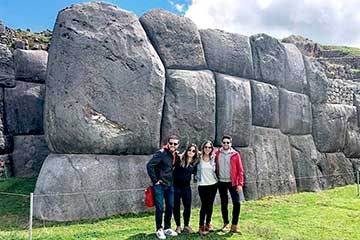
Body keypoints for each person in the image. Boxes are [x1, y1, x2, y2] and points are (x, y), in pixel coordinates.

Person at [147, 135, 180, 239]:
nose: (173, 145)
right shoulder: (161, 153)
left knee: (170, 206)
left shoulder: (175, 155)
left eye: (175, 144)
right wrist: (155, 180)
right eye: (171, 143)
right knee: (160, 208)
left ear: (178, 145)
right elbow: (149, 165)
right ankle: (159, 229)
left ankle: (167, 227)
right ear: (167, 143)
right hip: (159, 186)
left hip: (170, 185)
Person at [214, 135, 244, 234]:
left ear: (231, 143)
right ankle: (226, 224)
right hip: (221, 182)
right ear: (221, 143)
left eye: (228, 142)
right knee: (224, 203)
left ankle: (234, 225)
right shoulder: (217, 153)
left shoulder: (235, 154)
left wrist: (240, 184)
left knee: (237, 203)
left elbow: (240, 170)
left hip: (233, 183)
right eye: (224, 142)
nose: (226, 144)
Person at [173, 143, 199, 234]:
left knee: (187, 207)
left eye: (193, 151)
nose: (191, 152)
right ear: (187, 150)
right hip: (176, 186)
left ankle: (186, 226)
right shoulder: (179, 159)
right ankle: (178, 226)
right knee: (176, 206)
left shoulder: (194, 163)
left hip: (186, 187)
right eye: (189, 150)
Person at [195, 140, 218, 236]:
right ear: (203, 148)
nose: (207, 149)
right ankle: (201, 225)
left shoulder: (214, 157)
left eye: (209, 147)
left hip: (213, 184)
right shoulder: (198, 158)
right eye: (206, 147)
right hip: (202, 185)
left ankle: (208, 223)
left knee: (210, 205)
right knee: (204, 205)